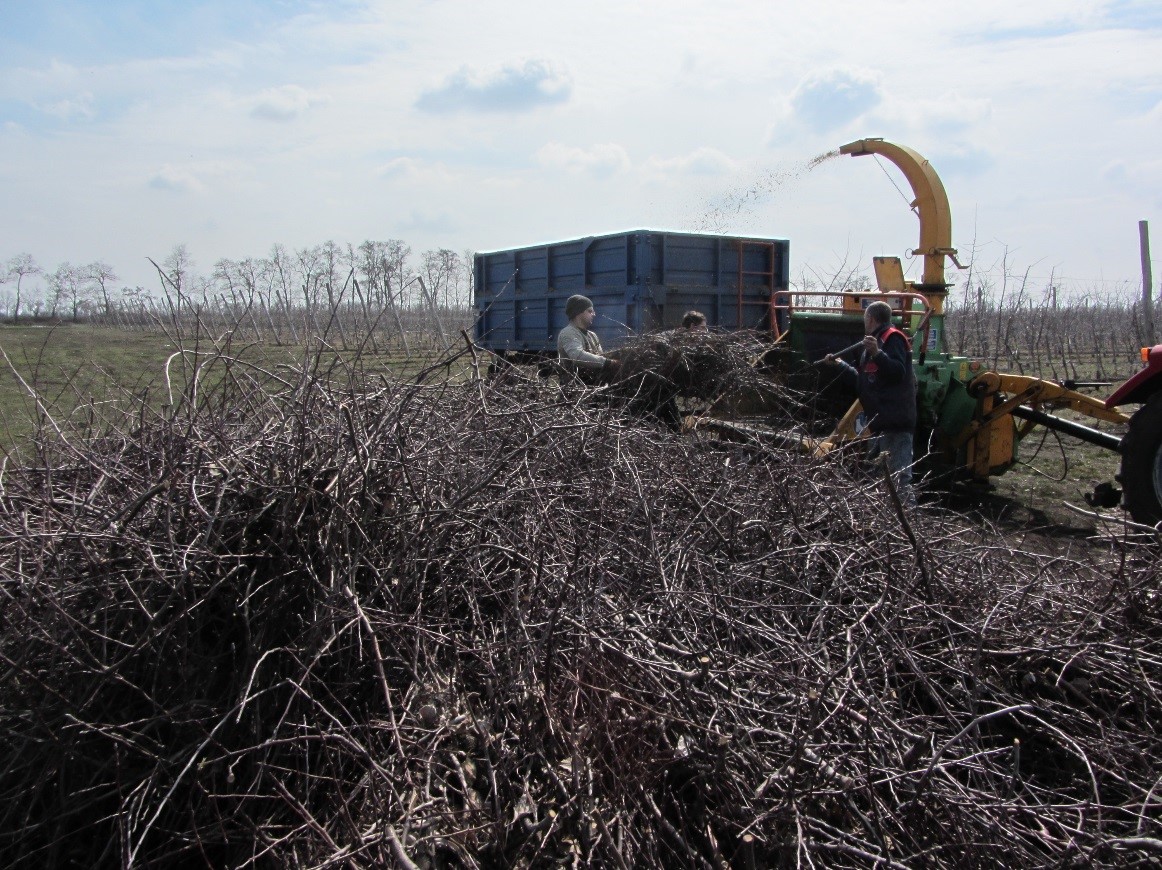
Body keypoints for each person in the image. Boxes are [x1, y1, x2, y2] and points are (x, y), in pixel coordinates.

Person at [824, 300, 917, 503]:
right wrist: (840, 364)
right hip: (878, 423)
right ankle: (884, 523)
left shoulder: (892, 339)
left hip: (895, 423)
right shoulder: (874, 342)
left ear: (871, 318)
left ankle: (910, 524)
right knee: (875, 478)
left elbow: (898, 372)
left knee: (899, 479)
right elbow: (864, 380)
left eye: (865, 318)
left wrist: (877, 353)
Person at [558, 294, 618, 382]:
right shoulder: (568, 332)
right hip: (574, 391)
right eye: (590, 311)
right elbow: (577, 356)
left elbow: (600, 356)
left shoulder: (592, 335)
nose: (594, 314)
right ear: (578, 312)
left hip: (592, 388)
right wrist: (608, 362)